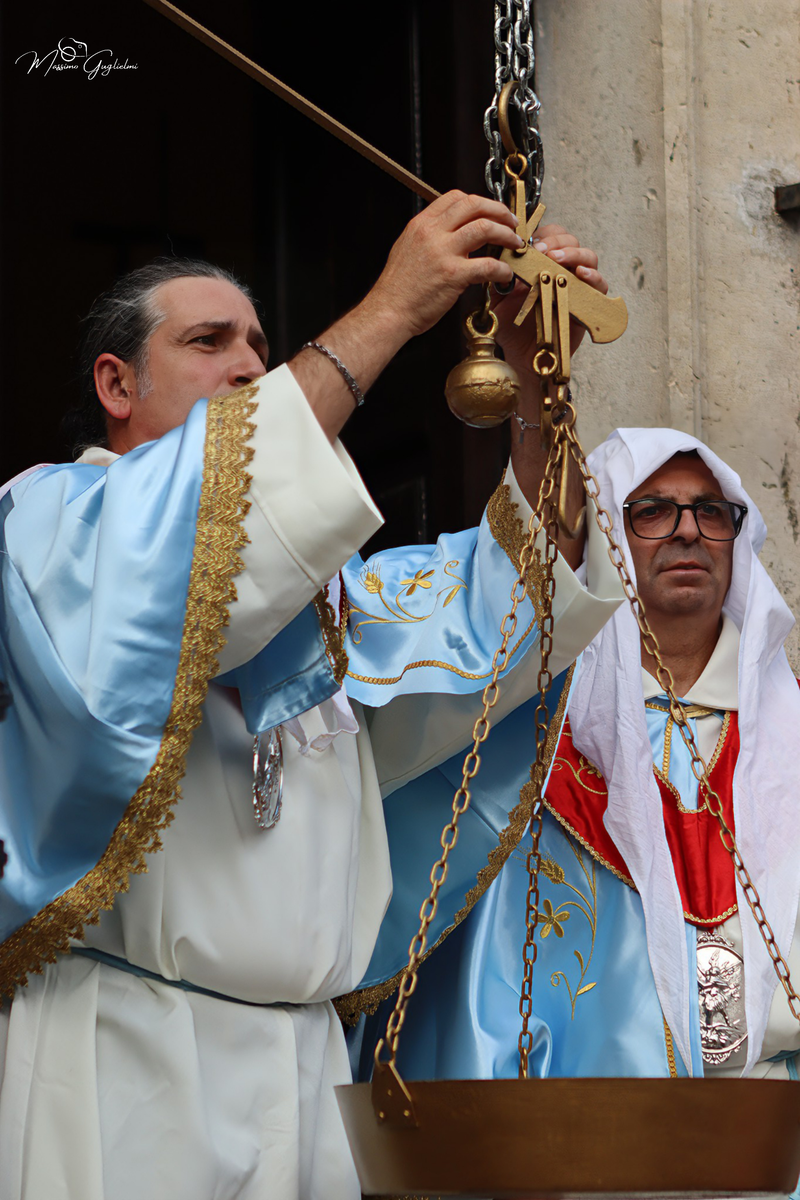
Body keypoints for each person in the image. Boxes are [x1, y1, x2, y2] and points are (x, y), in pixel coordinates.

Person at [0, 192, 621, 1200]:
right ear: (116, 383)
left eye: (259, 344)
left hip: (304, 1068)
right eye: (208, 342)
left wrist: (538, 379)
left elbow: (516, 606)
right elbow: (181, 535)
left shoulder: (330, 602)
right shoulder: (48, 531)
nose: (249, 365)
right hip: (121, 1061)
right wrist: (394, 309)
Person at [352, 426, 800, 1098]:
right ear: (604, 537)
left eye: (711, 511)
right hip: (585, 1120)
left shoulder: (790, 730)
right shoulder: (526, 737)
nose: (688, 530)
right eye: (652, 511)